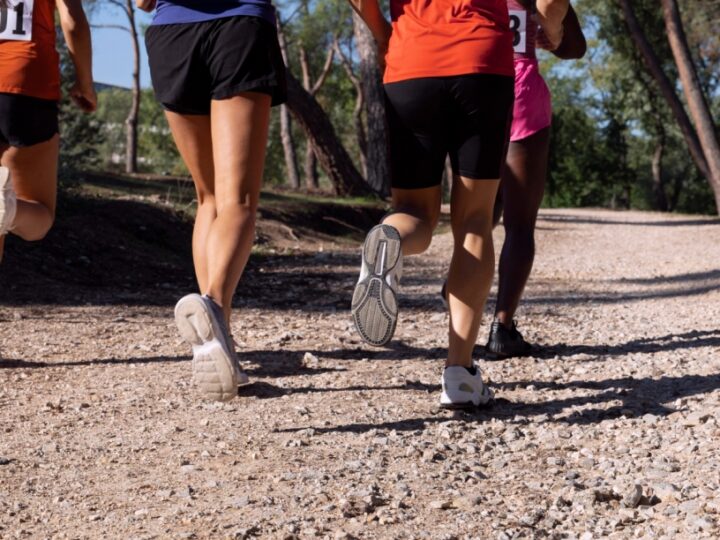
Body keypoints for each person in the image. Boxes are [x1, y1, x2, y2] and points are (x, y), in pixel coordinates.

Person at [350, 0, 570, 408]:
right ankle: (460, 375)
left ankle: (389, 237)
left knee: (413, 210)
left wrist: (384, 35)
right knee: (473, 221)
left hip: (410, 61)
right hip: (482, 61)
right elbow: (550, 3)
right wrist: (552, 31)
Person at [136, 0, 287, 401]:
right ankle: (215, 308)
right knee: (237, 199)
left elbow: (142, 2)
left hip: (172, 35)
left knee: (209, 197)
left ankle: (220, 342)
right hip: (238, 27)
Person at [485, 0, 586, 359]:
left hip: (472, 90)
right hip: (521, 92)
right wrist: (553, 36)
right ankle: (503, 327)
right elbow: (576, 48)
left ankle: (458, 293)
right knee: (520, 224)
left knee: (479, 211)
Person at [0, 0, 96, 262]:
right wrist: (85, 82)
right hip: (26, 83)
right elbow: (73, 21)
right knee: (38, 214)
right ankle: (9, 210)